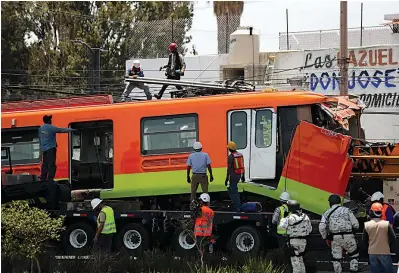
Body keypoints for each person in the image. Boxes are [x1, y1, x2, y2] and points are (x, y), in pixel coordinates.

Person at [319, 194, 359, 273]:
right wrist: (353, 232)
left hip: (335, 238)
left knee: (336, 259)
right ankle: (353, 270)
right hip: (348, 236)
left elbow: (322, 227)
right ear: (339, 202)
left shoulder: (326, 212)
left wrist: (325, 237)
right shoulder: (347, 210)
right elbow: (356, 224)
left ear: (330, 203)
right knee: (354, 255)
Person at [38, 115, 75, 182]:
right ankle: (50, 179)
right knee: (51, 164)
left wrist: (42, 147)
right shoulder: (51, 128)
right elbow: (61, 130)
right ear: (48, 120)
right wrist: (72, 130)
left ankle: (43, 178)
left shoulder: (40, 129)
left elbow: (40, 139)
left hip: (44, 150)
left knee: (45, 164)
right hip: (51, 149)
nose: (51, 120)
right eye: (50, 119)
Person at [279, 200, 312, 273]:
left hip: (294, 242)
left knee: (295, 264)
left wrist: (284, 217)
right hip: (303, 242)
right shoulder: (306, 217)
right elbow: (310, 229)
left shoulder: (290, 218)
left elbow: (282, 227)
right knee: (300, 260)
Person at [363, 202, 396, 273]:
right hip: (384, 251)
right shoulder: (386, 224)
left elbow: (364, 240)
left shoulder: (366, 225)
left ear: (371, 212)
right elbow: (393, 238)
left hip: (372, 252)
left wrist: (369, 247)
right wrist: (387, 245)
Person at [225, 141, 245, 212]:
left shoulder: (230, 157)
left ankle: (237, 207)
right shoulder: (240, 155)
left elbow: (229, 168)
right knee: (231, 189)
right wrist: (243, 176)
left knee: (233, 191)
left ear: (229, 149)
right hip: (239, 174)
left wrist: (227, 178)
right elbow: (242, 165)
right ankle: (235, 203)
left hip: (233, 175)